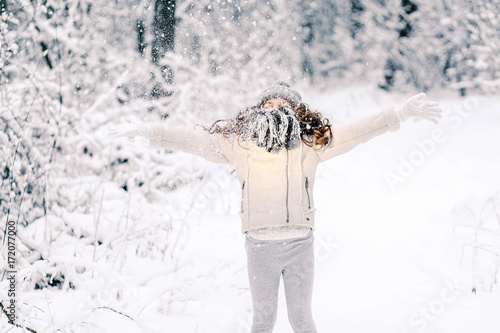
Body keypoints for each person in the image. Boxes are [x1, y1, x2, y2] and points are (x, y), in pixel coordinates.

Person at [108, 81, 442, 332]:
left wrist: (398, 114)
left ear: (296, 110)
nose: (275, 106)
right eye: (269, 101)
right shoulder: (238, 143)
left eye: (283, 102)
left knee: (301, 319)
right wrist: (151, 132)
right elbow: (193, 141)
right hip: (260, 247)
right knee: (263, 320)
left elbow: (357, 131)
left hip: (300, 244)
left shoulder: (310, 143)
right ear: (259, 107)